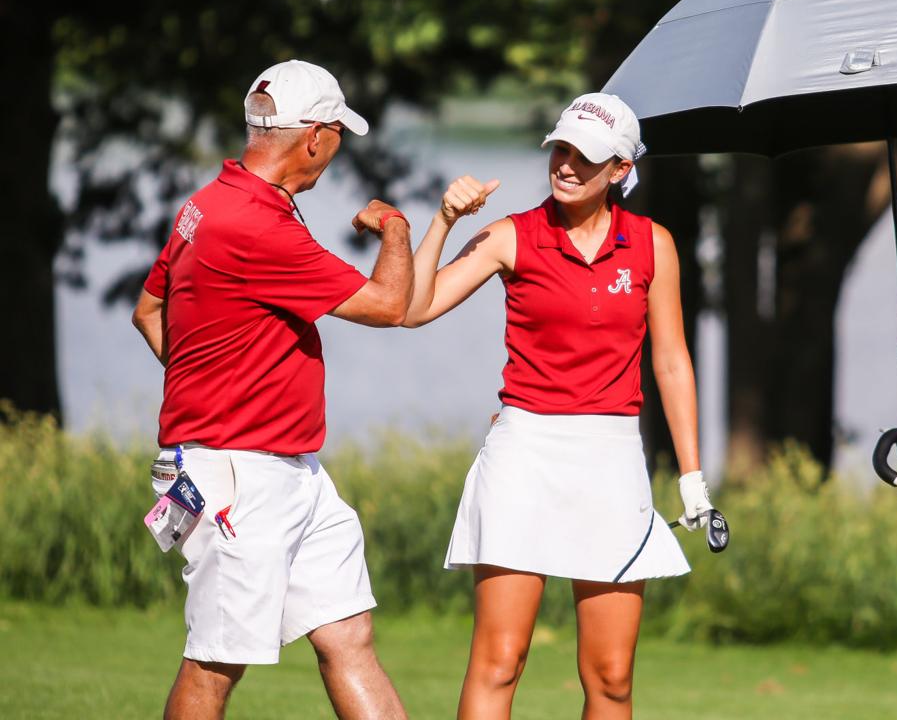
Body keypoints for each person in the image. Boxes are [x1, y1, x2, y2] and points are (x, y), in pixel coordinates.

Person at [402, 92, 719, 719]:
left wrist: (692, 479)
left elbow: (672, 362)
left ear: (621, 170)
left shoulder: (653, 245)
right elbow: (413, 310)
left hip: (610, 458)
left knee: (612, 676)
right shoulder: (508, 235)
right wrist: (443, 220)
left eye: (586, 156)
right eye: (562, 150)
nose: (567, 165)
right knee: (500, 660)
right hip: (525, 452)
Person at [132, 60, 424, 720]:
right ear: (315, 137)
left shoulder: (205, 205)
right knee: (215, 662)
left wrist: (200, 383)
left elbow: (148, 310)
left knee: (349, 636)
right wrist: (397, 233)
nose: (338, 146)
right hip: (238, 476)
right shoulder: (258, 225)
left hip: (292, 471)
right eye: (337, 134)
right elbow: (389, 305)